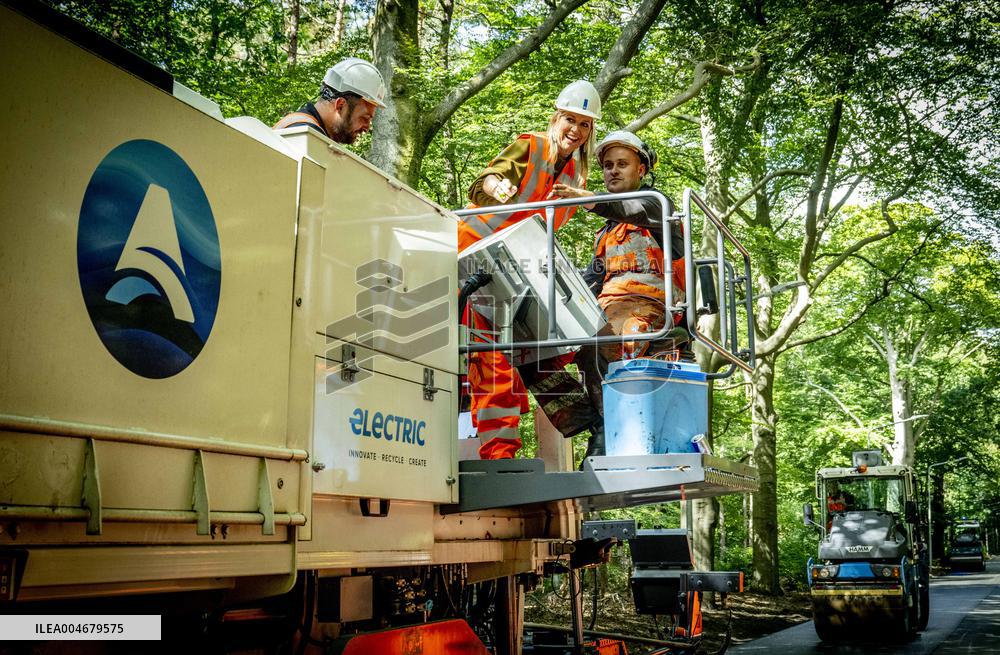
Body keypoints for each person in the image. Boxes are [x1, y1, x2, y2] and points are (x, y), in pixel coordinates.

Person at [459, 80, 604, 460]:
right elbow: (483, 184)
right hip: (477, 258)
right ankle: (498, 454)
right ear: (557, 118)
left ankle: (588, 423)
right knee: (490, 357)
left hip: (518, 269)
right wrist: (496, 186)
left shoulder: (576, 177)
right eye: (570, 119)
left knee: (545, 351)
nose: (576, 130)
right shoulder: (533, 145)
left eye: (585, 124)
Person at [550, 131, 687, 458]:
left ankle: (612, 431)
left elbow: (633, 210)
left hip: (650, 305)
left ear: (641, 170)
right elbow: (593, 278)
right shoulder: (606, 233)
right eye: (608, 165)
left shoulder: (657, 207)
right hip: (607, 306)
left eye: (622, 164)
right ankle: (589, 417)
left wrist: (589, 200)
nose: (612, 170)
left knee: (607, 337)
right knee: (542, 348)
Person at [273, 57, 386, 144]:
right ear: (340, 105)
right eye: (365, 118)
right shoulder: (305, 135)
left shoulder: (303, 127)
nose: (366, 128)